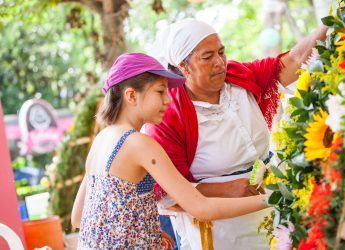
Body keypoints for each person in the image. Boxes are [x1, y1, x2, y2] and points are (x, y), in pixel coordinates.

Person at [146, 19, 328, 249]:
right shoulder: (169, 114)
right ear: (184, 66)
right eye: (207, 57)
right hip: (220, 229)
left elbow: (294, 60)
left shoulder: (239, 76)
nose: (220, 63)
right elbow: (167, 194)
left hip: (270, 203)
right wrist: (226, 189)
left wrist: (334, 23)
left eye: (222, 52)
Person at [70, 53, 269, 249]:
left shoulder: (101, 140)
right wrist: (269, 199)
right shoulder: (140, 144)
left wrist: (145, 230)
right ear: (131, 95)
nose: (168, 100)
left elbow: (79, 218)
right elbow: (201, 208)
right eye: (160, 92)